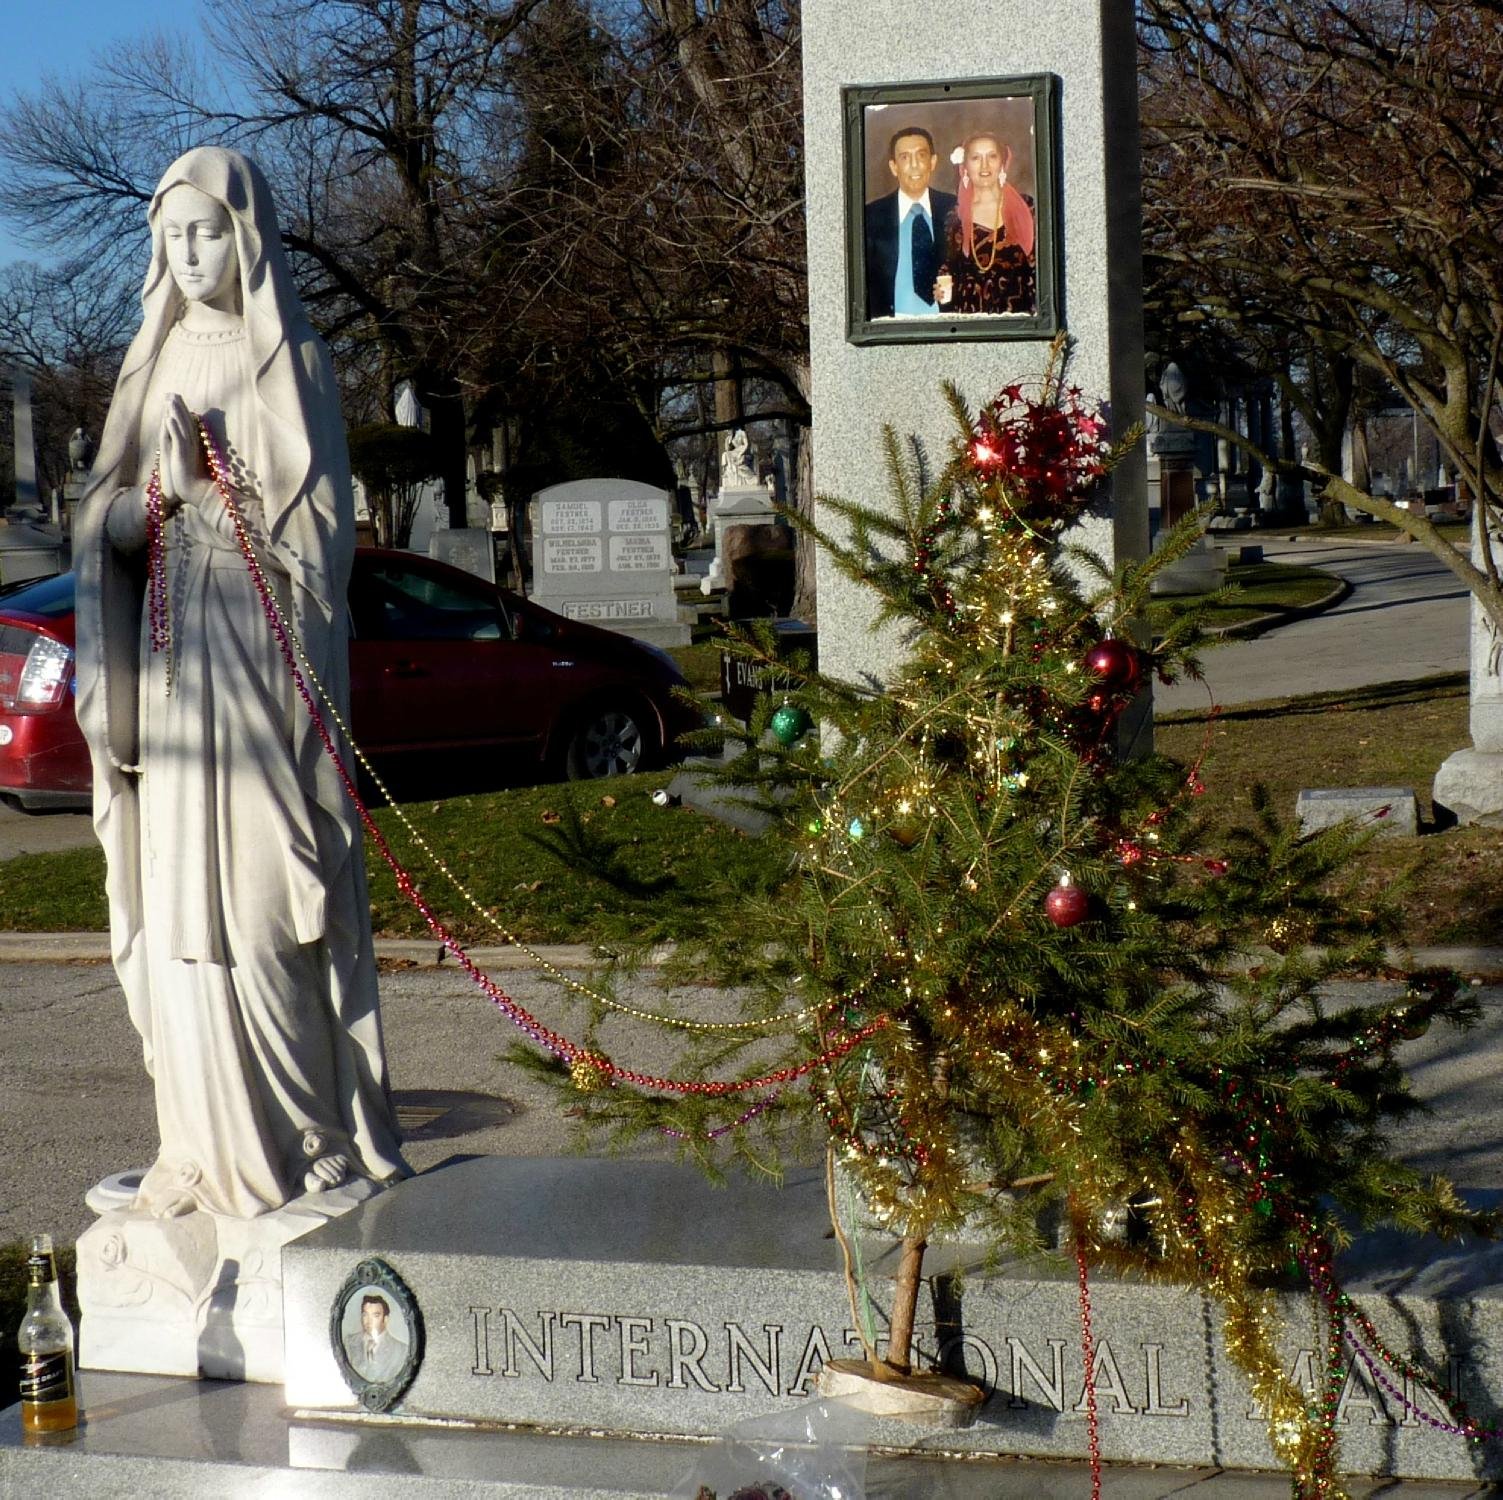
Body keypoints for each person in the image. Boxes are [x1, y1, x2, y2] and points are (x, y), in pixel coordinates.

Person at [73, 146, 408, 1221]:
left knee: (268, 906)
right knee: (183, 913)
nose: (189, 252)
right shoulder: (151, 358)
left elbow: (321, 540)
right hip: (173, 677)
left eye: (207, 231)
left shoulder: (291, 359)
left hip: (261, 670)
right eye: (172, 235)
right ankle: (197, 1148)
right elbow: (106, 526)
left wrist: (231, 497)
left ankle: (307, 1137)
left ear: (248, 234)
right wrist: (159, 499)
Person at [863, 126, 957, 320]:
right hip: (890, 332)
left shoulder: (955, 209)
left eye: (921, 156)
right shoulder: (871, 217)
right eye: (905, 157)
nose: (914, 165)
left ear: (932, 162)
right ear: (893, 167)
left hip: (947, 329)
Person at [936, 132, 1036, 315]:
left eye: (992, 156)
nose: (984, 165)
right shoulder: (955, 216)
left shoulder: (1027, 208)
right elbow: (948, 267)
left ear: (1003, 162)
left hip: (1018, 315)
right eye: (975, 158)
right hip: (970, 318)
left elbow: (1040, 269)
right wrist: (940, 289)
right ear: (965, 166)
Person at [343, 1292, 409, 1383]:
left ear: (385, 1319)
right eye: (365, 1315)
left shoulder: (401, 1350)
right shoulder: (349, 1342)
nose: (369, 1321)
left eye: (375, 1316)